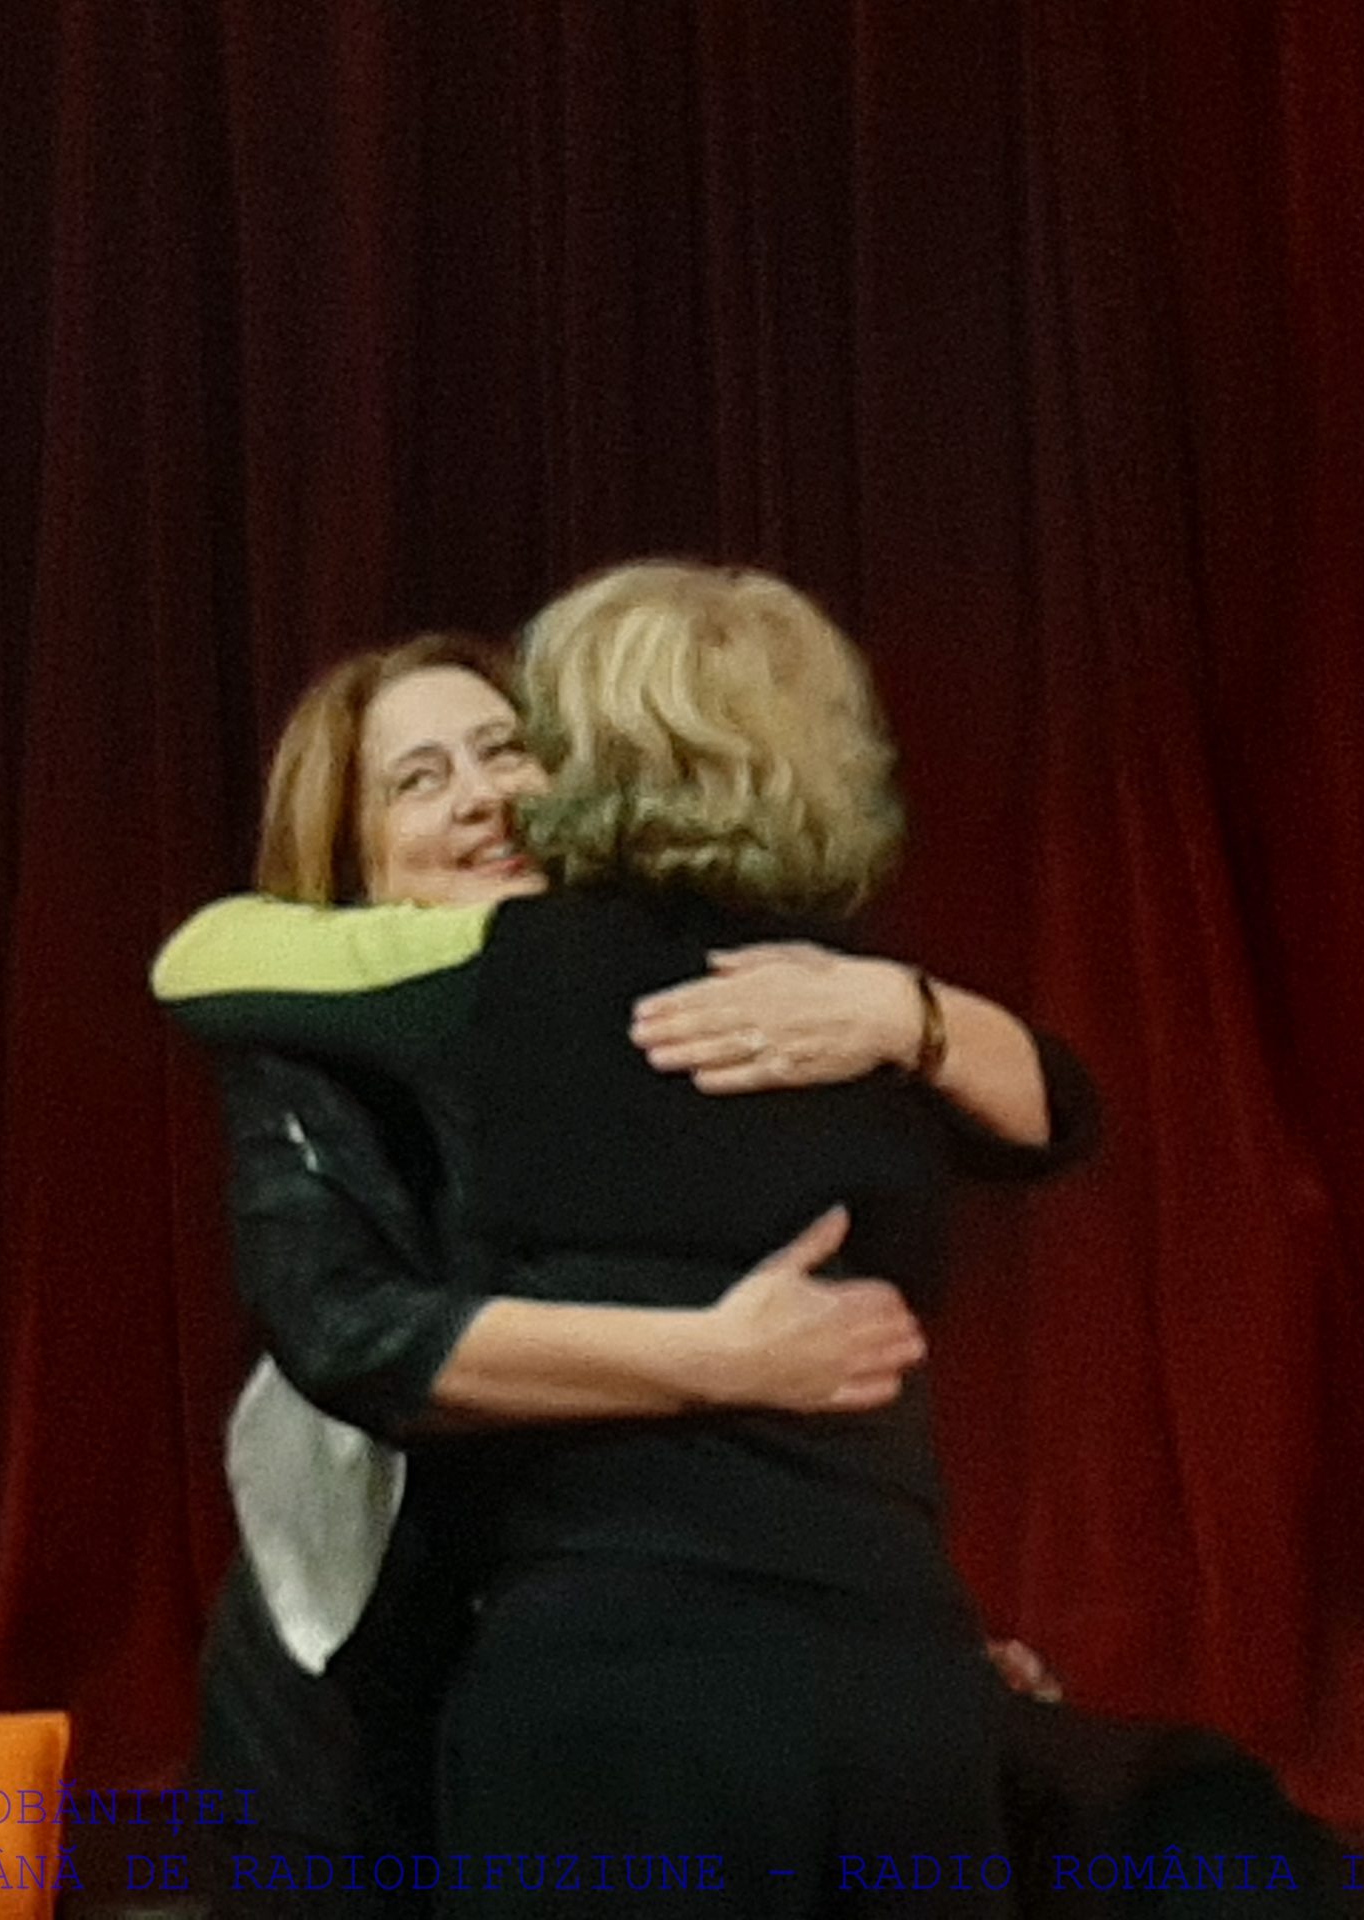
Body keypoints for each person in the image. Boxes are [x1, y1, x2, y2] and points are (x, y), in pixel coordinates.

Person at [158, 564, 1098, 1915]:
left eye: (506, 750)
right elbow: (348, 1332)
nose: (480, 797)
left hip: (696, 1650)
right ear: (348, 856)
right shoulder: (323, 1030)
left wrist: (908, 1011)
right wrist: (720, 1356)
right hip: (377, 1637)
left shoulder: (767, 986)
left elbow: (1054, 1113)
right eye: (419, 779)